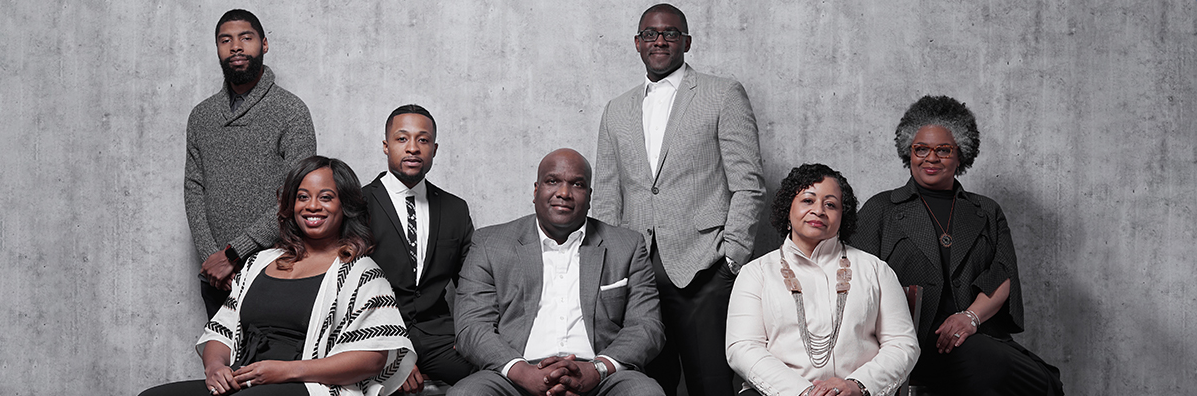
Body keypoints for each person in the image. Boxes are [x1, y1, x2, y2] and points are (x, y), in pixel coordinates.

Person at [592, 4, 766, 395]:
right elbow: (605, 193)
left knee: (711, 384)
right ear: (637, 43)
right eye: (650, 34)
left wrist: (732, 256)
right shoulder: (615, 110)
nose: (660, 40)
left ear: (686, 42)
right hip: (635, 271)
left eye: (670, 33)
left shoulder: (723, 94)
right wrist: (606, 264)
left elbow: (749, 182)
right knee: (648, 383)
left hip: (704, 265)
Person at [142, 156, 415, 396]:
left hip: (312, 385)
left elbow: (373, 358)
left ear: (345, 205)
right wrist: (215, 367)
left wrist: (286, 372)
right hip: (245, 379)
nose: (312, 206)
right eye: (303, 196)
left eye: (326, 197)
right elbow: (221, 330)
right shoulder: (259, 262)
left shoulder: (361, 273)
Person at [853, 96, 1064, 395]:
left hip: (978, 332)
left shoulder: (986, 210)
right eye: (921, 149)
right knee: (990, 367)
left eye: (943, 150)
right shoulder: (882, 208)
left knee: (1045, 381)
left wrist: (969, 318)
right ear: (908, 151)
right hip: (912, 338)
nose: (931, 158)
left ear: (961, 154)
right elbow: (855, 281)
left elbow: (1002, 274)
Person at [451, 149, 666, 396]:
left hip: (600, 376)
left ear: (589, 196)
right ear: (536, 190)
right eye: (553, 181)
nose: (564, 193)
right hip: (514, 375)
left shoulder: (626, 246)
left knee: (645, 393)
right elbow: (472, 327)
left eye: (577, 184)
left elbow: (647, 326)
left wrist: (598, 370)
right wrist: (523, 372)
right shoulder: (490, 244)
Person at [726, 164, 919, 396]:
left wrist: (856, 385)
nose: (818, 210)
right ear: (788, 208)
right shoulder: (756, 273)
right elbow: (743, 348)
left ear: (842, 216)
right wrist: (803, 392)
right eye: (808, 200)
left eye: (830, 204)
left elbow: (902, 344)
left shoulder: (875, 270)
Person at [186, 9, 317, 319]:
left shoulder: (291, 111)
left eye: (246, 38)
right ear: (217, 48)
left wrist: (234, 253)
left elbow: (297, 195)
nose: (235, 47)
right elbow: (193, 190)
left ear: (264, 44)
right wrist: (213, 260)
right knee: (220, 365)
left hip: (276, 269)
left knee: (272, 365)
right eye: (225, 40)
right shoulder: (201, 117)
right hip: (217, 276)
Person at [362, 104, 476, 393]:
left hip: (440, 337)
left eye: (422, 140)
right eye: (402, 139)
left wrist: (469, 334)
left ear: (434, 149)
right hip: (377, 337)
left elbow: (472, 286)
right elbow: (350, 290)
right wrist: (392, 353)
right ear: (386, 146)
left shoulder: (455, 209)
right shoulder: (357, 205)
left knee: (492, 379)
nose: (413, 148)